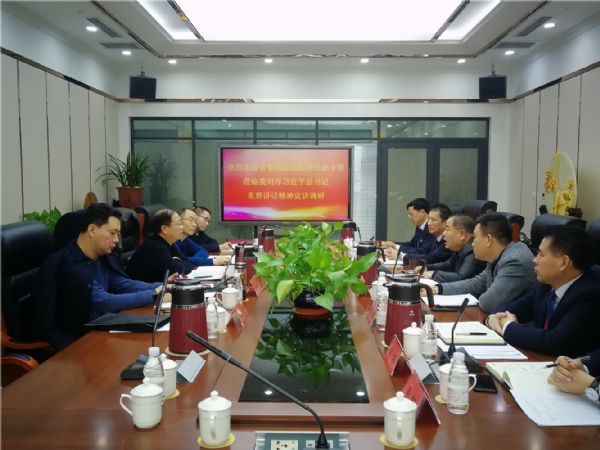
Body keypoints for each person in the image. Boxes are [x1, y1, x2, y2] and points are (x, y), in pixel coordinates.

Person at [34, 204, 166, 350]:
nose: (117, 240)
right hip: (78, 341)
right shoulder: (68, 264)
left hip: (105, 328)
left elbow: (123, 284)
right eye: (113, 233)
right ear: (92, 230)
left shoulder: (103, 258)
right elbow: (104, 301)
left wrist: (163, 286)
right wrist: (154, 295)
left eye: (118, 234)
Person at [485, 226, 600, 356]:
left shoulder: (589, 294)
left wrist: (508, 326)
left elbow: (556, 342)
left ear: (563, 262)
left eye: (541, 254)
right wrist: (492, 319)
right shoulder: (546, 284)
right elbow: (510, 308)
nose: (534, 260)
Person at [433, 213, 535, 313]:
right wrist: (438, 289)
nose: (472, 244)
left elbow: (489, 303)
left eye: (475, 237)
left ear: (489, 239)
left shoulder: (514, 261)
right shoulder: (497, 256)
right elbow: (476, 284)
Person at [126, 209, 194, 282]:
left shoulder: (169, 242)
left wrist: (177, 261)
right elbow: (176, 271)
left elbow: (189, 264)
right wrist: (178, 261)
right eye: (178, 224)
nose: (182, 227)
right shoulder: (154, 247)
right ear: (164, 229)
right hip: (142, 287)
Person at [420, 214, 486, 282]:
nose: (444, 233)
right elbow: (447, 265)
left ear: (461, 234)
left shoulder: (473, 251)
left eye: (447, 229)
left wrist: (432, 274)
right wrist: (426, 267)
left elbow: (461, 278)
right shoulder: (460, 249)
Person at [386, 203, 453, 265]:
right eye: (429, 219)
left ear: (445, 223)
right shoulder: (436, 238)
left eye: (433, 220)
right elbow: (423, 252)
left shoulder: (447, 241)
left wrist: (401, 256)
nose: (429, 223)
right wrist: (397, 249)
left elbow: (429, 258)